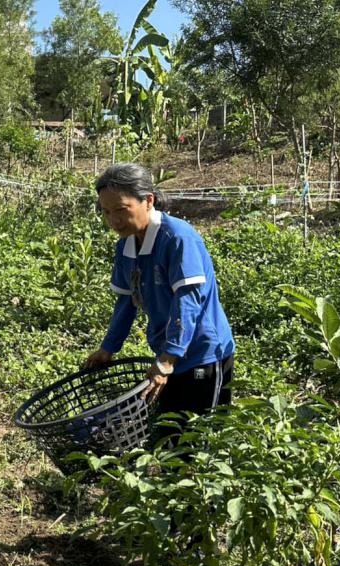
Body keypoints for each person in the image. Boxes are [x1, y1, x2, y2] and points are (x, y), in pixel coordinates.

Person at [85, 163, 235, 418]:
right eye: (106, 212)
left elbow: (188, 302)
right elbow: (126, 301)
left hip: (203, 354)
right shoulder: (125, 247)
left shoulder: (177, 238)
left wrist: (167, 360)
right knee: (172, 433)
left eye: (121, 210)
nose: (113, 220)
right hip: (167, 354)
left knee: (204, 434)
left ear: (148, 201)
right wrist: (108, 347)